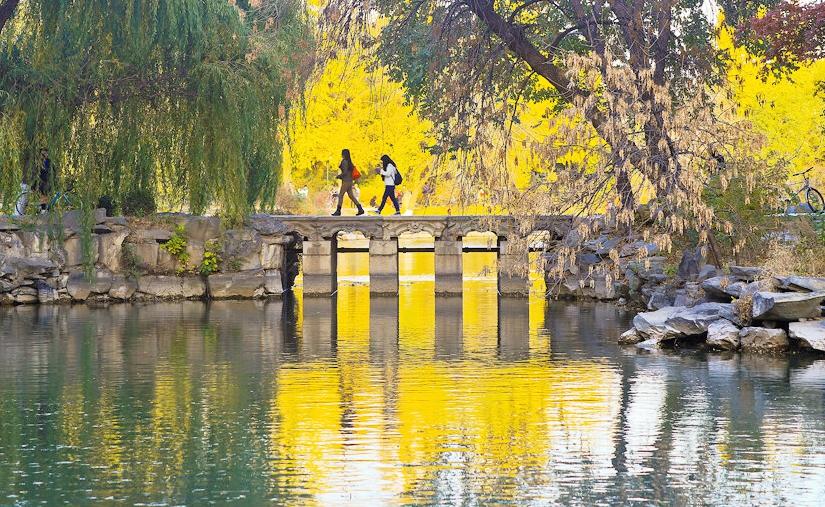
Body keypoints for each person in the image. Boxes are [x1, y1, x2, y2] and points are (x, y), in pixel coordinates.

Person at [332, 148, 365, 216]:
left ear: (344, 154)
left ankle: (338, 211)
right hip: (350, 181)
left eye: (342, 153)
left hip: (346, 181)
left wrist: (339, 176)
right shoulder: (349, 162)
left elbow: (345, 172)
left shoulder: (344, 161)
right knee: (351, 196)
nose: (341, 154)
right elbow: (348, 172)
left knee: (341, 195)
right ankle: (360, 209)